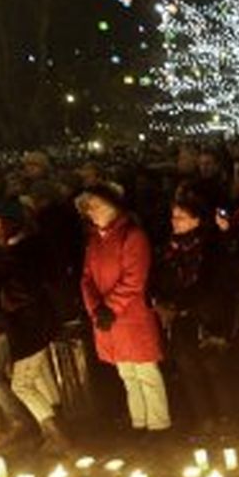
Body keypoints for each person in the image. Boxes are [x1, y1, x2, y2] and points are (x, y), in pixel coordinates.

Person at [0, 202, 72, 454]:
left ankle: (59, 436)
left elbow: (19, 291)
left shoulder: (26, 251)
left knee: (23, 384)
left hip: (32, 324)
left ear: (10, 222)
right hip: (25, 324)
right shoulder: (14, 249)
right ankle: (51, 433)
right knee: (33, 381)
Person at [78, 184, 170, 436]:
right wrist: (95, 309)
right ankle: (139, 421)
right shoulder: (95, 240)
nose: (91, 211)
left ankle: (159, 424)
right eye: (89, 207)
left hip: (132, 317)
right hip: (107, 320)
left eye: (96, 206)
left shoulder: (133, 236)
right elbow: (86, 277)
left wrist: (110, 308)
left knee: (145, 371)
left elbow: (134, 278)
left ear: (113, 207)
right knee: (127, 373)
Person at [154, 193, 239, 434]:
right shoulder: (169, 249)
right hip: (180, 320)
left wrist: (181, 303)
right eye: (173, 216)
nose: (175, 221)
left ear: (197, 220)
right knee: (189, 370)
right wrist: (162, 301)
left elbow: (212, 284)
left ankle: (229, 420)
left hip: (206, 317)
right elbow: (160, 279)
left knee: (215, 370)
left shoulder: (210, 248)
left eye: (181, 217)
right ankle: (205, 420)